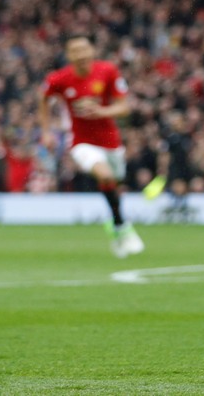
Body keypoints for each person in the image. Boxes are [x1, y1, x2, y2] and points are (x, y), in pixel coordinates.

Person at [39, 34, 145, 258]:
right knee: (105, 175)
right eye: (75, 51)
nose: (81, 55)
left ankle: (116, 227)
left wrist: (101, 112)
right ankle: (123, 227)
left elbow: (124, 107)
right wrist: (46, 132)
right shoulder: (59, 79)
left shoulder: (107, 71)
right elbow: (44, 99)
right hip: (80, 141)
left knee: (114, 185)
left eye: (84, 49)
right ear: (69, 55)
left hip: (111, 142)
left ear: (92, 51)